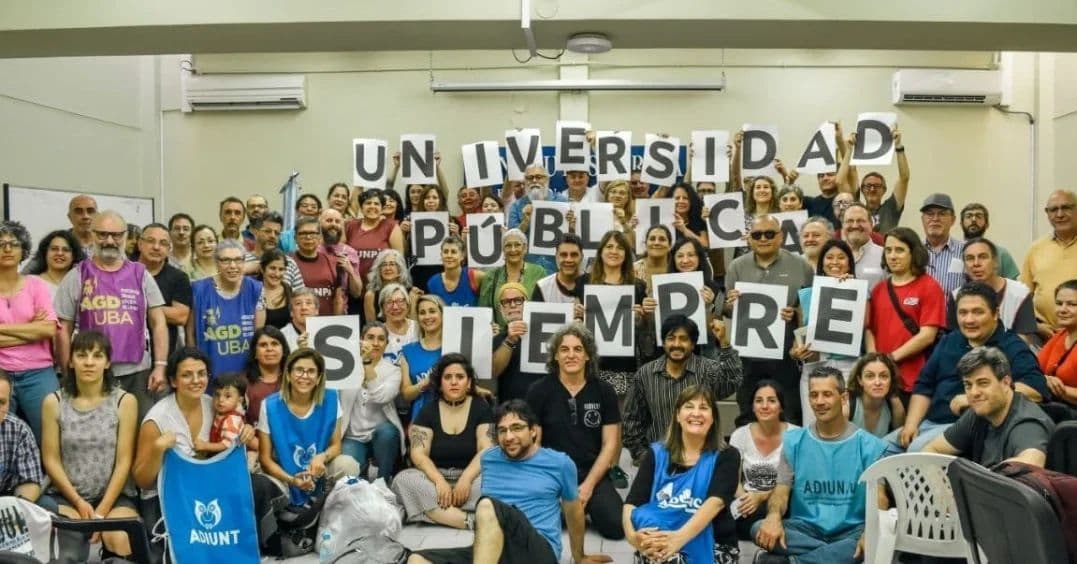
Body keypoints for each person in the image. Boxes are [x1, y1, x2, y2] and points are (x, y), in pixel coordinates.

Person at [406, 399, 610, 564]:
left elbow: (573, 511)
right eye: (502, 430)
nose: (509, 436)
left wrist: (580, 556)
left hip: (538, 551)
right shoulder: (489, 458)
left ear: (533, 431)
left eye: (517, 428)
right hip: (493, 548)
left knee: (487, 505)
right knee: (417, 560)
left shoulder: (560, 463)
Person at [132, 347, 280, 553]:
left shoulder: (214, 405)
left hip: (205, 491)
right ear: (173, 381)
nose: (196, 380)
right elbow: (141, 480)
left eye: (201, 374)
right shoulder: (156, 419)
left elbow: (244, 435)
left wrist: (245, 430)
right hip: (166, 498)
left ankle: (269, 544)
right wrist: (158, 449)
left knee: (258, 485)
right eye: (186, 375)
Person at [890, 282, 1050, 453]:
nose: (969, 320)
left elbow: (1036, 389)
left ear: (995, 313)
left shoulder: (1012, 346)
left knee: (915, 451)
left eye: (978, 312)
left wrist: (974, 398)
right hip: (928, 423)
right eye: (963, 313)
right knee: (877, 448)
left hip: (967, 431)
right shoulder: (949, 340)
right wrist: (911, 425)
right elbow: (924, 385)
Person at [751, 366, 887, 564]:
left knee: (874, 538)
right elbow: (781, 491)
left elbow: (880, 498)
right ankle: (833, 557)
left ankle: (791, 562)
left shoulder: (871, 446)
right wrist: (773, 517)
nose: (819, 402)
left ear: (843, 398)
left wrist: (871, 530)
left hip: (852, 530)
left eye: (827, 395)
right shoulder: (793, 441)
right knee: (758, 528)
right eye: (814, 395)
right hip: (805, 529)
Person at [55, 210, 168, 422]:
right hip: (91, 372)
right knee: (97, 433)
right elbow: (63, 329)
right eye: (102, 234)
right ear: (92, 235)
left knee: (140, 429)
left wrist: (160, 366)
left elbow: (158, 322)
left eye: (116, 235)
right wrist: (67, 373)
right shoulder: (77, 275)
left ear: (126, 236)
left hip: (137, 371)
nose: (109, 240)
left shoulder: (140, 274)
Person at [40, 331, 138, 561]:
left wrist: (101, 513)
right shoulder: (53, 402)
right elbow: (51, 459)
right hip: (67, 497)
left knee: (121, 540)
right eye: (82, 355)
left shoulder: (125, 401)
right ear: (71, 361)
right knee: (68, 551)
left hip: (114, 497)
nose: (89, 362)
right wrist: (77, 501)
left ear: (108, 362)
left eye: (97, 355)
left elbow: (125, 461)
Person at [526, 322, 625, 540]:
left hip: (593, 474)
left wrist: (588, 487)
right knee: (534, 523)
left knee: (617, 527)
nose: (571, 355)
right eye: (564, 349)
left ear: (588, 356)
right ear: (555, 357)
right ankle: (571, 509)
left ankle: (585, 506)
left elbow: (610, 444)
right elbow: (534, 446)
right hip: (552, 474)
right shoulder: (539, 391)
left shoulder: (604, 390)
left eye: (578, 349)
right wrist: (557, 486)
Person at [625, 386, 741, 563]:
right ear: (678, 416)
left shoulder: (727, 455)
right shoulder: (656, 454)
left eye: (704, 408)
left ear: (713, 418)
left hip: (715, 543)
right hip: (663, 538)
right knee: (660, 553)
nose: (696, 413)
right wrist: (633, 537)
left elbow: (715, 503)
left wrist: (678, 539)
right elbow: (632, 504)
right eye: (689, 406)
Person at [725, 215, 814, 424]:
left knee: (790, 412)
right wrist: (732, 303)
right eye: (757, 234)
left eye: (769, 233)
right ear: (749, 239)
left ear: (781, 236)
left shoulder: (802, 267)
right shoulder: (737, 267)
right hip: (747, 356)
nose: (763, 238)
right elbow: (727, 311)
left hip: (786, 356)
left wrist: (795, 313)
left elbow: (809, 310)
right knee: (747, 412)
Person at [392, 353, 493, 529]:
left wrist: (466, 479)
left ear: (469, 383)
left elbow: (487, 448)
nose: (454, 382)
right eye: (448, 377)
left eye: (460, 377)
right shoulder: (428, 411)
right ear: (440, 383)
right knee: (403, 480)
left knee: (498, 478)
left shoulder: (482, 407)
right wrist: (439, 481)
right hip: (434, 480)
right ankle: (469, 520)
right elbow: (418, 453)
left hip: (472, 479)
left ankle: (432, 512)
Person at [624, 315, 742, 463]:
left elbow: (733, 381)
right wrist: (645, 457)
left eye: (683, 339)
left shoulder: (708, 370)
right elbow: (632, 422)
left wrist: (724, 342)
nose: (676, 344)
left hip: (701, 460)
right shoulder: (645, 374)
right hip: (660, 460)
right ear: (664, 343)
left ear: (693, 344)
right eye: (671, 338)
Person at [257, 348, 360, 507]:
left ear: (319, 378)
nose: (305, 376)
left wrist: (322, 457)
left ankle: (329, 508)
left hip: (320, 472)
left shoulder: (331, 399)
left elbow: (336, 446)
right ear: (288, 375)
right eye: (299, 370)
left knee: (348, 465)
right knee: (264, 481)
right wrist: (292, 480)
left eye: (311, 371)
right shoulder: (269, 405)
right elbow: (265, 459)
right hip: (285, 475)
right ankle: (289, 515)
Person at [923, 346, 1055, 467]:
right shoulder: (979, 412)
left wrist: (978, 481)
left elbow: (1032, 463)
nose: (974, 393)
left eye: (983, 383)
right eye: (968, 385)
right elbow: (931, 450)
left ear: (1005, 383)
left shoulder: (1027, 423)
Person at [866, 226, 945, 398]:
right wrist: (874, 360)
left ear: (913, 253)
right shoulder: (879, 289)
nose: (892, 256)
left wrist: (890, 358)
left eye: (900, 250)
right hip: (881, 380)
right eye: (888, 250)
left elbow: (927, 335)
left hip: (914, 379)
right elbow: (869, 329)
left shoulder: (929, 287)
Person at [0, 221, 59, 442]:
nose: (6, 249)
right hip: (0, 371)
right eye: (0, 244)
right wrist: (30, 330)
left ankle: (46, 478)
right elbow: (37, 330)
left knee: (50, 435)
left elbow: (48, 329)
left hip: (38, 372)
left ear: (23, 250)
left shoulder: (36, 285)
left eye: (13, 244)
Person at [791, 239, 861, 425]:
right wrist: (797, 353)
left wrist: (850, 290)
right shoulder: (806, 295)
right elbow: (795, 344)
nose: (835, 262)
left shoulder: (860, 291)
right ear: (821, 262)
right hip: (814, 368)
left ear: (849, 263)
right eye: (829, 257)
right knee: (813, 425)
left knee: (845, 425)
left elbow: (866, 326)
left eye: (841, 257)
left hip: (847, 366)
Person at [573, 230, 650, 397]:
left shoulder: (638, 287)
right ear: (600, 252)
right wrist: (577, 315)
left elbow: (644, 329)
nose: (614, 251)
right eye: (609, 246)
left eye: (620, 247)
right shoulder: (583, 282)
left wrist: (641, 318)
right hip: (591, 362)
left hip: (624, 364)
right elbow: (575, 324)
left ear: (626, 254)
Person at [187, 239, 266, 379]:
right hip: (208, 372)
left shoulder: (256, 289)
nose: (233, 265)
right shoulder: (198, 289)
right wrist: (195, 366)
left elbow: (259, 335)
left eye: (238, 260)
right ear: (216, 263)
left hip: (245, 373)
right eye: (226, 260)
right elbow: (191, 333)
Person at [728, 380, 797, 540]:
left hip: (783, 501)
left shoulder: (796, 435)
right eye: (759, 401)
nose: (764, 406)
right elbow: (734, 480)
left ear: (781, 406)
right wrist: (744, 499)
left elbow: (795, 484)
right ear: (752, 406)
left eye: (772, 401)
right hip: (748, 500)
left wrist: (761, 496)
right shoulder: (740, 435)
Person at [340, 322, 404, 483]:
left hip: (380, 434)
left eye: (381, 339)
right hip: (352, 436)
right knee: (352, 475)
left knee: (388, 432)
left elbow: (380, 396)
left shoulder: (393, 371)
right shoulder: (345, 366)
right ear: (361, 340)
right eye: (370, 337)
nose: (375, 343)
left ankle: (383, 484)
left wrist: (367, 364)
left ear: (386, 344)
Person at [947, 237, 1038, 345]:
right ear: (965, 265)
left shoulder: (1019, 293)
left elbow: (1023, 340)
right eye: (970, 258)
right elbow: (955, 340)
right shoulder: (956, 295)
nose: (976, 263)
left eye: (983, 257)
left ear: (995, 262)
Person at [1021, 190, 1077, 341]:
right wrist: (1035, 326)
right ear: (1047, 214)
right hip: (1043, 333)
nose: (1059, 214)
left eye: (1066, 208)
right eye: (1053, 210)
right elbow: (1022, 297)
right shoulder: (1036, 249)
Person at [138, 222, 192, 357]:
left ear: (169, 249)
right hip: (128, 351)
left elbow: (180, 316)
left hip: (163, 356)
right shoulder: (125, 272)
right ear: (140, 244)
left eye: (163, 243)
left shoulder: (178, 277)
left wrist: (136, 305)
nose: (156, 247)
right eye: (151, 241)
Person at [477, 229, 545, 329]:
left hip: (530, 335)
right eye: (508, 245)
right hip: (501, 339)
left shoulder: (538, 272)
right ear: (503, 250)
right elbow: (483, 312)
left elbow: (544, 308)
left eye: (517, 245)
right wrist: (490, 329)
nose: (513, 249)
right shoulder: (490, 276)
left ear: (525, 248)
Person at [490, 282, 544, 402]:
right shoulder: (497, 339)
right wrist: (510, 340)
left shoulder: (544, 333)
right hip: (510, 408)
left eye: (518, 300)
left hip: (543, 405)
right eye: (506, 302)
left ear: (528, 303)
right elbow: (494, 371)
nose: (513, 305)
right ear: (500, 308)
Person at [508, 164, 567, 274]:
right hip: (527, 271)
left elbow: (572, 236)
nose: (534, 181)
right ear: (524, 182)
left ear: (548, 179)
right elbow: (512, 239)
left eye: (539, 177)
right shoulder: (516, 207)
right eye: (529, 178)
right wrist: (525, 222)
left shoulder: (563, 202)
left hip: (557, 269)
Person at [20, 194, 96, 274]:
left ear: (98, 216)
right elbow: (24, 276)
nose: (85, 216)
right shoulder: (56, 243)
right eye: (78, 211)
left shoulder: (106, 244)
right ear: (70, 217)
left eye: (90, 211)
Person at [398, 294, 445, 422]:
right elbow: (406, 394)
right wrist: (424, 384)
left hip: (451, 414)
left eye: (432, 311)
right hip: (421, 417)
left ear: (442, 314)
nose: (427, 316)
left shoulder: (454, 346)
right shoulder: (408, 350)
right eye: (422, 313)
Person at [0, 370, 44, 502]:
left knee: (46, 506)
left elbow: (30, 481)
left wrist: (17, 508)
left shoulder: (19, 430)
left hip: (6, 499)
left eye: (1, 402)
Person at [851, 135, 909, 234]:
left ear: (884, 190)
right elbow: (851, 172)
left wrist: (899, 146)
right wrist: (851, 148)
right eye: (868, 186)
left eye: (877, 186)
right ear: (862, 190)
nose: (872, 189)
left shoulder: (890, 209)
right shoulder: (856, 209)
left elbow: (904, 178)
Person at [346, 189, 405, 285]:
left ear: (382, 208)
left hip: (382, 289)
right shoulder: (349, 226)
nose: (372, 206)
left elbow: (399, 263)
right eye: (368, 203)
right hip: (353, 288)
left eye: (376, 204)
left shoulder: (391, 226)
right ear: (361, 208)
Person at [290, 217, 346, 315]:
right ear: (295, 238)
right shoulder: (287, 262)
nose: (308, 237)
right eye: (303, 233)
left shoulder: (334, 262)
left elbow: (338, 298)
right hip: (296, 325)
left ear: (320, 238)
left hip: (326, 325)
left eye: (313, 233)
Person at [846, 353, 906, 438]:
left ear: (891, 380)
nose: (877, 382)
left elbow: (897, 442)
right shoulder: (848, 405)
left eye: (884, 376)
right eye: (870, 376)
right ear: (860, 380)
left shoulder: (894, 405)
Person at [243, 211, 306, 291]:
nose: (272, 236)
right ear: (256, 232)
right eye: (268, 231)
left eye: (276, 233)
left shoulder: (289, 263)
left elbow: (300, 297)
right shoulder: (241, 260)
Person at [195, 372, 251, 461]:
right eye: (217, 394)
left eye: (227, 396)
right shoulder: (219, 413)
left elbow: (227, 445)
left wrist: (205, 446)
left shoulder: (232, 419)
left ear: (239, 400)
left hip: (230, 461)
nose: (221, 400)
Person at [1040, 279, 1077, 411]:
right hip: (1055, 409)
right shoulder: (1059, 337)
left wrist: (1057, 388)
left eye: (1072, 304)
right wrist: (1045, 379)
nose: (1062, 309)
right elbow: (1034, 370)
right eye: (1059, 303)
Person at [319, 207, 364, 314]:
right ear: (320, 224)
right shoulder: (311, 248)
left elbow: (356, 293)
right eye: (329, 220)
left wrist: (350, 271)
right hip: (312, 312)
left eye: (337, 221)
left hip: (340, 313)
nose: (333, 224)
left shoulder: (350, 252)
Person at [919, 193, 965, 296]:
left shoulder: (966, 252)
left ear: (953, 220)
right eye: (930, 214)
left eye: (942, 214)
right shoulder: (911, 252)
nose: (935, 219)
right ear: (922, 220)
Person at [245, 326, 290, 430]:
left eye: (275, 344)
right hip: (257, 444)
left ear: (283, 350)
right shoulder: (243, 383)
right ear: (255, 353)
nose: (269, 349)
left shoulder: (294, 380)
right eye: (263, 345)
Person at [959, 203, 1020, 279]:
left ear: (987, 224)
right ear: (961, 224)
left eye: (979, 216)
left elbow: (1012, 286)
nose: (973, 220)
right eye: (969, 216)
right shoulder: (953, 252)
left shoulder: (1001, 254)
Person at [25, 229, 86, 299]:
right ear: (45, 253)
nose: (60, 253)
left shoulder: (80, 285)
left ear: (74, 256)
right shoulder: (30, 282)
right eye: (54, 249)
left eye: (66, 250)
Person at [426, 236, 484, 307]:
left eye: (453, 252)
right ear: (441, 255)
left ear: (462, 256)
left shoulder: (475, 276)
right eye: (445, 252)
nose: (449, 255)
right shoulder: (433, 282)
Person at [840, 203, 885, 290]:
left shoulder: (885, 256)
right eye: (849, 221)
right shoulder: (831, 257)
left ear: (871, 225)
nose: (855, 225)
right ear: (843, 226)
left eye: (860, 221)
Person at [532, 232, 584, 304]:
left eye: (574, 255)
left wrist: (585, 314)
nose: (568, 259)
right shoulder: (542, 287)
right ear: (556, 257)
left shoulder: (595, 284)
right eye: (563, 255)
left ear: (582, 256)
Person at [364, 249, 412, 323]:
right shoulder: (370, 296)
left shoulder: (412, 293)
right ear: (379, 269)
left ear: (400, 269)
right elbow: (371, 327)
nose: (387, 268)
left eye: (392, 264)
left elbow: (415, 327)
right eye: (384, 265)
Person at [634, 225, 673, 295]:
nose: (656, 243)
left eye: (662, 239)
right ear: (646, 244)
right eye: (652, 239)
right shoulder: (632, 270)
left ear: (670, 246)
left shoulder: (677, 270)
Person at [259, 249, 292, 329]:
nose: (277, 274)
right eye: (272, 268)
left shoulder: (289, 291)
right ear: (262, 269)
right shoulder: (253, 290)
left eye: (281, 269)